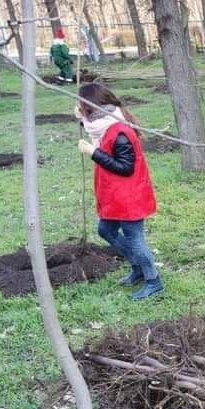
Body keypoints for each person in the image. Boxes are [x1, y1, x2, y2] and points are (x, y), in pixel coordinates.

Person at [75, 83, 163, 300]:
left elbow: (125, 168)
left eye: (80, 103)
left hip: (129, 196)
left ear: (92, 105)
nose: (77, 105)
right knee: (106, 230)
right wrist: (82, 118)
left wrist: (93, 152)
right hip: (115, 194)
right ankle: (138, 268)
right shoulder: (103, 123)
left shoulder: (120, 132)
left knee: (134, 238)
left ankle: (153, 281)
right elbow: (95, 129)